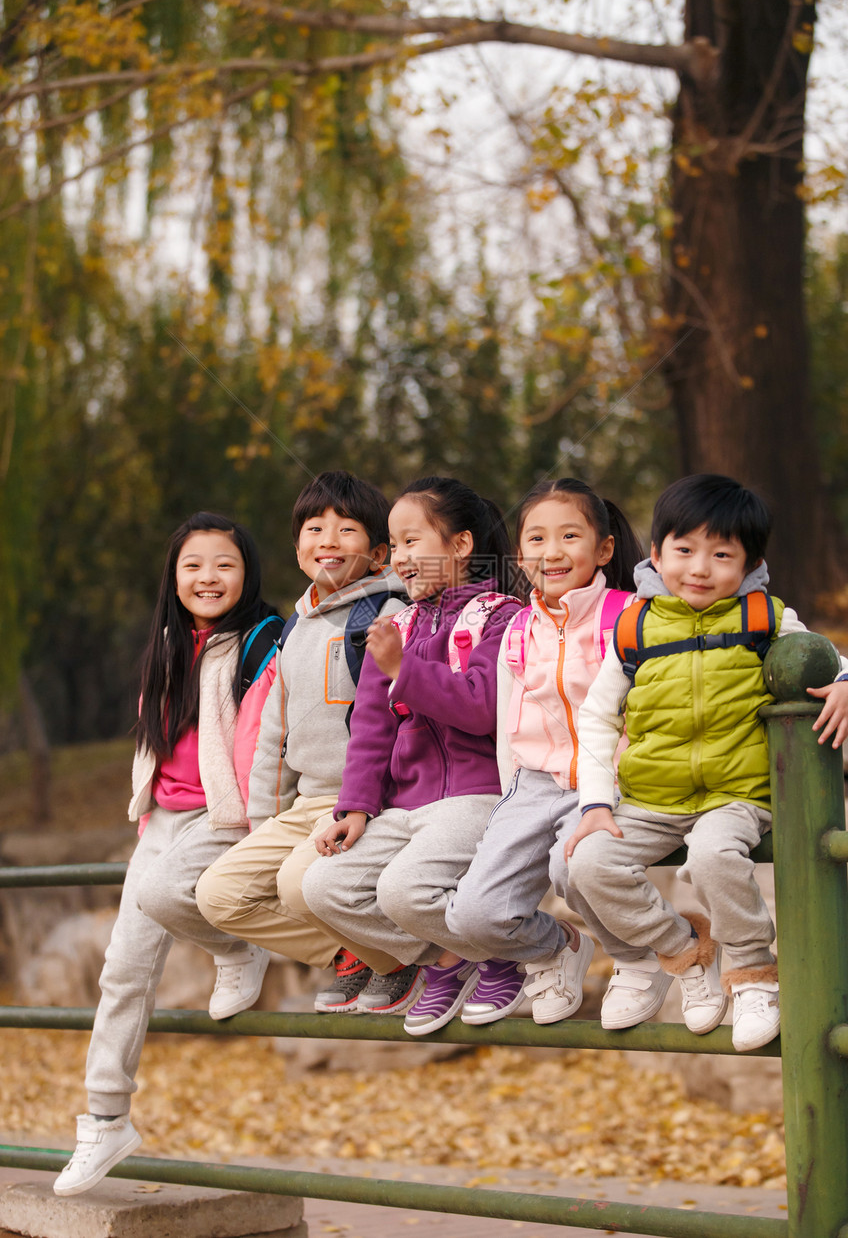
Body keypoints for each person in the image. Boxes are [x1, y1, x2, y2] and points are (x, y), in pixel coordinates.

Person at [566, 474, 848, 1052]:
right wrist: (596, 804)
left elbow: (828, 657)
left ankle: (752, 972)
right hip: (653, 798)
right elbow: (598, 717)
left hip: (735, 794)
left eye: (721, 554)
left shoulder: (762, 618)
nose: (700, 568)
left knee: (711, 857)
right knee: (589, 863)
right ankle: (681, 948)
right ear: (656, 554)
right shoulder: (635, 628)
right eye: (684, 550)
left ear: (749, 563)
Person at [55, 512, 283, 1197]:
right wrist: (144, 806)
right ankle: (105, 1118)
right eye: (193, 565)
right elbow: (154, 734)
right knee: (122, 971)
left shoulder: (264, 639)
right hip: (161, 819)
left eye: (224, 564)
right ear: (173, 575)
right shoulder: (165, 642)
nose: (208, 578)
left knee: (163, 896)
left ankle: (238, 948)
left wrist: (257, 821)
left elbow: (265, 737)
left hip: (225, 816)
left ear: (246, 573)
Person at [301, 476, 523, 1034]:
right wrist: (355, 807)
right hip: (405, 805)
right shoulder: (394, 626)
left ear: (461, 545)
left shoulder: (500, 617)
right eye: (394, 546)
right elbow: (370, 730)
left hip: (476, 795)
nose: (399, 558)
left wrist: (406, 670)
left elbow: (480, 709)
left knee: (404, 892)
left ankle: (508, 957)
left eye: (411, 542)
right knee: (322, 887)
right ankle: (447, 961)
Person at [196, 471, 414, 1014]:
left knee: (298, 884)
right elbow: (275, 732)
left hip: (364, 801)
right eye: (315, 529)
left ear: (380, 552)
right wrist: (262, 821)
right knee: (218, 896)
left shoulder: (388, 613)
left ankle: (402, 960)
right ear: (298, 551)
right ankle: (356, 951)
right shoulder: (295, 627)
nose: (329, 540)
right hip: (303, 804)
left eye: (347, 529)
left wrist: (375, 799)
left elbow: (395, 721)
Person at [446, 478, 644, 1025]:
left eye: (569, 536)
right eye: (535, 539)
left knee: (570, 868)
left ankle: (637, 959)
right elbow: (509, 719)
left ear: (602, 549)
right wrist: (512, 794)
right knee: (473, 915)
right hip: (534, 784)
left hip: (608, 780)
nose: (551, 552)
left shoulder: (630, 616)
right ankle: (557, 947)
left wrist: (845, 674)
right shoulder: (517, 628)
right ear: (519, 554)